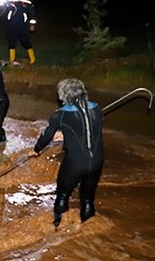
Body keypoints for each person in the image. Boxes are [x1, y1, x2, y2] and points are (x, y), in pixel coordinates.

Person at [30, 78, 104, 228]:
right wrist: (66, 134)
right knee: (88, 199)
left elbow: (46, 136)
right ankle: (88, 233)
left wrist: (36, 150)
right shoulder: (96, 108)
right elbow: (90, 129)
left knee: (63, 195)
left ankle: (58, 229)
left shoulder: (60, 114)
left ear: (64, 95)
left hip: (75, 163)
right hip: (97, 161)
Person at [4, 0, 36, 64]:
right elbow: (2, 7)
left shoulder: (27, 1)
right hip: (11, 25)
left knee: (25, 41)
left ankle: (32, 59)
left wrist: (32, 24)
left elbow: (32, 13)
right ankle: (12, 60)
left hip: (22, 25)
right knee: (11, 41)